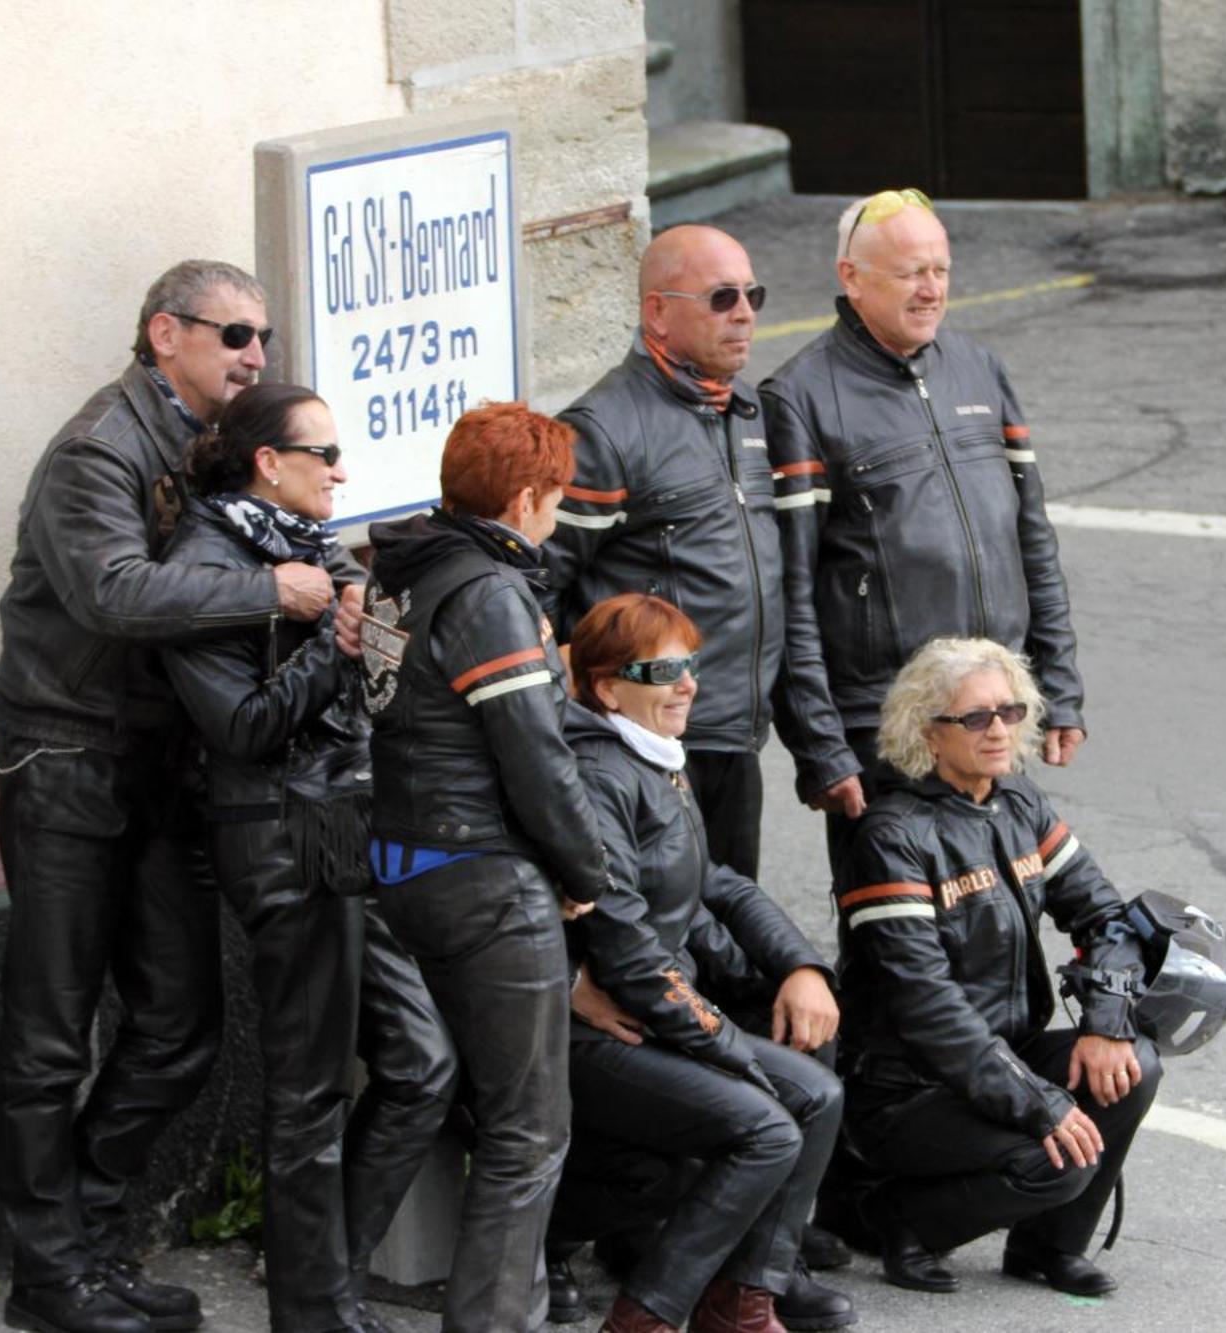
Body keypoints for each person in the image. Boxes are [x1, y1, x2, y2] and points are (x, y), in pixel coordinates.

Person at [0, 260, 358, 1333]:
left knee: (181, 1022)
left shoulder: (201, 451)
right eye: (235, 334)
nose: (256, 356)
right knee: (51, 1036)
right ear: (165, 334)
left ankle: (91, 1237)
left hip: (158, 762)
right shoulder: (96, 450)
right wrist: (269, 588)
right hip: (63, 756)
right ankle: (49, 1279)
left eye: (265, 338)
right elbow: (110, 593)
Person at [159, 384, 454, 1333]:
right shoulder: (211, 560)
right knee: (310, 1087)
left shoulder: (311, 549)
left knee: (420, 1061)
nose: (341, 469)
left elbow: (367, 686)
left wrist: (379, 635)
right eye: (322, 453)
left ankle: (327, 1273)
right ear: (266, 464)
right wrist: (337, 645)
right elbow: (241, 726)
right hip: (275, 827)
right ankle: (313, 1307)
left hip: (338, 820)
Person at [361, 401, 612, 1333]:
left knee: (432, 1087)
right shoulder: (492, 595)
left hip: (402, 864)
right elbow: (536, 758)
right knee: (528, 1128)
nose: (558, 513)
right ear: (523, 497)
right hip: (484, 877)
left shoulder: (402, 571)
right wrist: (586, 870)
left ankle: (328, 1283)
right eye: (555, 497)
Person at [548, 594, 849, 1333]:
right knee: (769, 1124)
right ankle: (646, 1316)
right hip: (597, 1029)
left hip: (652, 1015)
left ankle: (744, 1297)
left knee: (817, 1091)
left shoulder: (653, 759)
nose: (688, 683)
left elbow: (715, 882)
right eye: (664, 670)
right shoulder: (601, 774)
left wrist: (800, 967)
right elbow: (626, 947)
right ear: (608, 686)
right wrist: (723, 1043)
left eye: (691, 663)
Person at [760, 189, 1086, 856]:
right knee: (899, 938)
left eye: (941, 270)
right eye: (911, 272)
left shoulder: (979, 368)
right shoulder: (798, 397)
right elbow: (787, 592)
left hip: (995, 707)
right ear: (851, 277)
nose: (931, 289)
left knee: (999, 910)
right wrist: (822, 745)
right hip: (886, 724)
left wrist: (1059, 687)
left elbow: (1031, 541)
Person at [834, 638, 1160, 1297]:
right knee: (1058, 1154)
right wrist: (1040, 1103)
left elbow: (1110, 919)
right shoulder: (890, 834)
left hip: (1002, 1056)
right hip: (908, 1090)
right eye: (976, 717)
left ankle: (1047, 1248)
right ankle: (899, 1220)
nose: (1000, 729)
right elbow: (927, 1006)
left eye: (1009, 711)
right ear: (927, 730)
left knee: (1134, 1064)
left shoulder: (1020, 805)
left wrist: (1107, 1021)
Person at [544, 224, 781, 880]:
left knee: (732, 930)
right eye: (721, 297)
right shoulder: (603, 429)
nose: (744, 313)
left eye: (753, 295)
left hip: (732, 731)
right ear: (657, 311)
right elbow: (536, 584)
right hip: (643, 736)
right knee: (661, 937)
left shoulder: (748, 412)